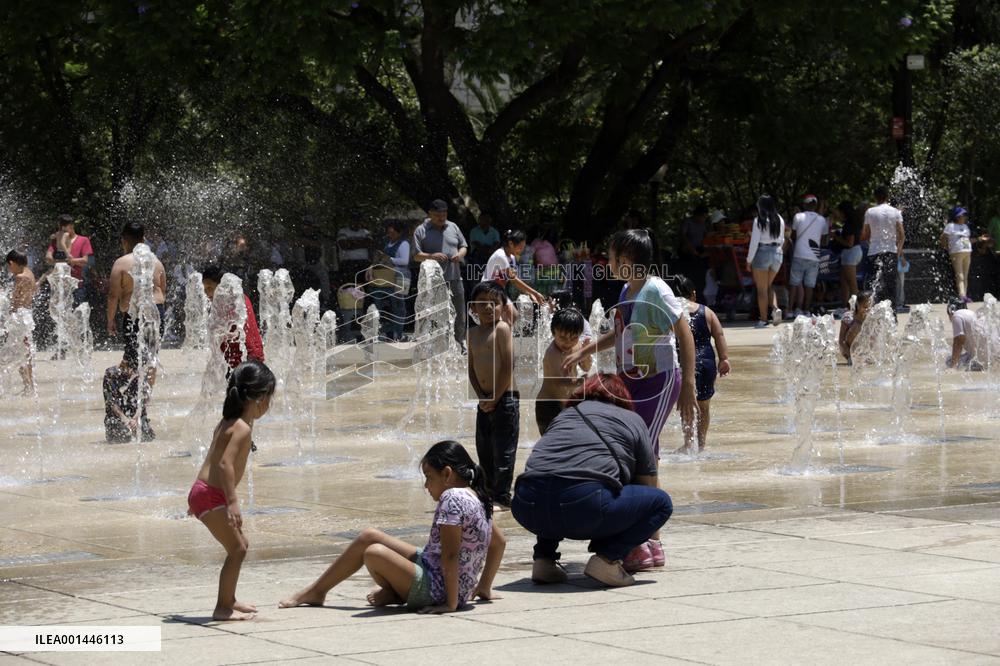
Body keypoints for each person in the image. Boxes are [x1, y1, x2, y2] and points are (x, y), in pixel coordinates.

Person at [279, 441, 505, 613]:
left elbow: (451, 555)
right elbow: (499, 544)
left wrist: (451, 603)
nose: (426, 486)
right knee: (369, 536)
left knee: (374, 552)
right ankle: (318, 590)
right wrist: (483, 586)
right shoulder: (478, 498)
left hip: (438, 587)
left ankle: (396, 593)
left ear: (447, 474)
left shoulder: (452, 498)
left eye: (428, 477)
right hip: (440, 576)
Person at [512, 374, 673, 587]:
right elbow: (647, 485)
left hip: (526, 504)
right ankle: (607, 559)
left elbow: (548, 468)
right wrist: (646, 540)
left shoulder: (564, 415)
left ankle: (543, 560)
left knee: (552, 481)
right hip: (582, 506)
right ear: (623, 397)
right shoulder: (633, 419)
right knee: (661, 502)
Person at [564, 228, 696, 457]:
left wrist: (688, 384)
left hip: (657, 381)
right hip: (629, 380)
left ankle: (651, 493)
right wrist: (581, 352)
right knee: (627, 444)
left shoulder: (656, 290)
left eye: (611, 259)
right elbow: (620, 334)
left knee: (643, 446)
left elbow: (685, 334)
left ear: (624, 261)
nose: (607, 264)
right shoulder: (626, 290)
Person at [187, 360, 275, 621]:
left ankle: (230, 599)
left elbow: (211, 460)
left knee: (241, 546)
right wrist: (233, 502)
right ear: (259, 398)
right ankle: (222, 607)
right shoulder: (242, 428)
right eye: (270, 397)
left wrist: (196, 497)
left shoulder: (229, 421)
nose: (270, 405)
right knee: (237, 549)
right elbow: (224, 464)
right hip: (212, 494)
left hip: (204, 492)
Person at [104, 223, 167, 441]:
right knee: (149, 363)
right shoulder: (156, 262)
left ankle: (131, 416)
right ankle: (141, 413)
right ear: (143, 237)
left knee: (131, 365)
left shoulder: (122, 263)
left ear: (124, 239)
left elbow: (113, 295)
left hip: (134, 317)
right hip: (156, 314)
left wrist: (110, 320)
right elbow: (162, 291)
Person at [467, 281, 518, 508]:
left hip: (505, 398)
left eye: (494, 303)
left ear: (502, 306)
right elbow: (471, 368)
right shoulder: (472, 333)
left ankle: (502, 495)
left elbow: (508, 366)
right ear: (472, 309)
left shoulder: (502, 329)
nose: (488, 308)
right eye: (482, 303)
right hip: (485, 399)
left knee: (503, 450)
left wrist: (495, 397)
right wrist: (481, 396)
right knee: (484, 448)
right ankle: (487, 492)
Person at [674, 276, 731, 452]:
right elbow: (719, 335)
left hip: (684, 363)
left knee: (686, 404)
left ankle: (688, 442)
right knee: (704, 406)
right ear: (693, 294)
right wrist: (724, 358)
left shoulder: (673, 312)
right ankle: (702, 444)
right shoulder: (707, 312)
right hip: (706, 363)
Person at [412, 199, 469, 349]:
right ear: (430, 214)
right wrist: (431, 256)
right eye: (438, 215)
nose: (441, 218)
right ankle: (439, 345)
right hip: (434, 281)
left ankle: (460, 342)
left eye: (444, 214)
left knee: (459, 311)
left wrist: (460, 255)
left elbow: (464, 246)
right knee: (436, 313)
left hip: (455, 277)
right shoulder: (421, 230)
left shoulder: (453, 226)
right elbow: (416, 256)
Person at [535, 308, 592, 436]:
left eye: (574, 337)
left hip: (566, 402)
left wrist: (586, 353)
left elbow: (586, 368)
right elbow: (558, 382)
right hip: (548, 406)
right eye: (562, 337)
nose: (568, 342)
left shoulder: (576, 346)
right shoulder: (553, 353)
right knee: (552, 444)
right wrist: (582, 381)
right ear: (553, 333)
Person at [202, 266, 265, 369]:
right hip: (235, 361)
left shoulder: (234, 302)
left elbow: (247, 337)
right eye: (204, 289)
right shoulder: (225, 302)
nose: (206, 292)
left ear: (221, 285)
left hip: (246, 362)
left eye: (209, 288)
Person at [483, 229, 546, 325]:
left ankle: (503, 337)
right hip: (487, 291)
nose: (521, 250)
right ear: (511, 244)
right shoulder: (501, 256)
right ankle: (498, 337)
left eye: (523, 247)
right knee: (505, 320)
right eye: (520, 247)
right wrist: (534, 293)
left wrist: (528, 293)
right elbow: (514, 280)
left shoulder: (512, 257)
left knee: (513, 316)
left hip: (498, 291)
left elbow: (513, 278)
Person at [861, 186, 905, 309]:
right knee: (891, 285)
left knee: (873, 284)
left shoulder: (870, 212)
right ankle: (892, 315)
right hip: (891, 252)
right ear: (887, 197)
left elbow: (864, 235)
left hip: (874, 252)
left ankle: (874, 311)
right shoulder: (895, 212)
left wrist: (870, 242)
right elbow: (902, 235)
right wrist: (898, 252)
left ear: (875, 197)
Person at [746, 195, 786, 328]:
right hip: (777, 253)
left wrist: (749, 260)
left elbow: (754, 243)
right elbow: (783, 239)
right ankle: (775, 308)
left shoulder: (759, 220)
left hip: (763, 253)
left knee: (761, 289)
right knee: (768, 285)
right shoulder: (779, 219)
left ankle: (763, 320)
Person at [370, 220, 411, 341]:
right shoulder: (387, 244)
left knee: (399, 306)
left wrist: (389, 259)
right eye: (389, 232)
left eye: (392, 232)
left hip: (401, 278)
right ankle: (384, 332)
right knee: (383, 305)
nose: (390, 235)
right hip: (386, 277)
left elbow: (404, 261)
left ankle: (398, 333)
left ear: (399, 232)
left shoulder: (404, 244)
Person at [788, 194, 828, 317]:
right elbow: (825, 240)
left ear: (804, 204)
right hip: (814, 256)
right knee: (809, 285)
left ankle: (791, 310)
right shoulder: (822, 220)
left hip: (799, 254)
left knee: (794, 283)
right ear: (815, 206)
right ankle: (806, 310)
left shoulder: (798, 217)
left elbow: (793, 236)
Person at [5, 250, 36, 395]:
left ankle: (28, 386)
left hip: (20, 318)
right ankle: (29, 385)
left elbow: (14, 300)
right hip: (27, 315)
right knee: (24, 352)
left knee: (18, 352)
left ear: (12, 263)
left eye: (8, 267)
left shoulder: (20, 277)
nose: (9, 270)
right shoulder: (29, 273)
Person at [45, 214, 93, 305]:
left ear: (71, 225)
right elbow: (48, 258)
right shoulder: (56, 240)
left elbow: (84, 261)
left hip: (76, 287)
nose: (60, 229)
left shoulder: (83, 240)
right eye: (60, 226)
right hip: (59, 287)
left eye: (62, 226)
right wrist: (65, 261)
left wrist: (69, 261)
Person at [829, 201, 863, 310]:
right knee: (844, 282)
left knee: (852, 285)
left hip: (850, 254)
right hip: (852, 253)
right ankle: (845, 307)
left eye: (839, 211)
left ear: (843, 212)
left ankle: (857, 309)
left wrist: (835, 236)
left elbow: (849, 243)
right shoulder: (853, 222)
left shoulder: (849, 225)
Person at [947, 299, 997, 370]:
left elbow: (958, 341)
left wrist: (953, 367)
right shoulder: (972, 315)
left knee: (948, 361)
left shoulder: (957, 316)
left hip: (982, 360)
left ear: (950, 310)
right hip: (993, 357)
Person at [941, 206, 973, 302]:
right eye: (962, 215)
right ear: (957, 216)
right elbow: (943, 237)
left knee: (965, 275)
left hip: (967, 252)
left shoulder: (966, 227)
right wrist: (945, 247)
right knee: (960, 275)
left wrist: (979, 239)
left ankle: (964, 295)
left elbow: (968, 239)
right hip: (956, 252)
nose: (964, 217)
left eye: (964, 215)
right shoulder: (950, 226)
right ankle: (962, 296)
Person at [838, 291, 873, 364]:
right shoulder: (848, 317)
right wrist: (850, 357)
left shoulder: (871, 317)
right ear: (857, 305)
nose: (867, 309)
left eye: (870, 307)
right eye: (865, 307)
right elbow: (841, 341)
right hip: (848, 349)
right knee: (857, 326)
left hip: (863, 350)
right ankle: (854, 356)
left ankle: (865, 355)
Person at [337, 214, 374, 281]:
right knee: (350, 285)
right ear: (350, 221)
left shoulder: (365, 232)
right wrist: (362, 242)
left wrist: (351, 242)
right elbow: (344, 245)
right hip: (348, 263)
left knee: (364, 284)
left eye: (358, 221)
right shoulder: (343, 231)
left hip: (364, 263)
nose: (356, 223)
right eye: (354, 221)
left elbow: (369, 243)